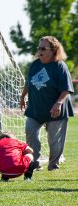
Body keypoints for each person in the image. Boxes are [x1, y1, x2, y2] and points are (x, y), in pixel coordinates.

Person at [20, 36, 74, 171]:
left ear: (53, 50)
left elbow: (66, 88)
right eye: (39, 48)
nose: (40, 51)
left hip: (55, 110)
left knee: (54, 141)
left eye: (43, 48)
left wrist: (58, 103)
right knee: (30, 131)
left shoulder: (60, 66)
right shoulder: (35, 64)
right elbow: (29, 82)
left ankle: (53, 166)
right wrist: (22, 97)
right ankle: (34, 163)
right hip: (36, 109)